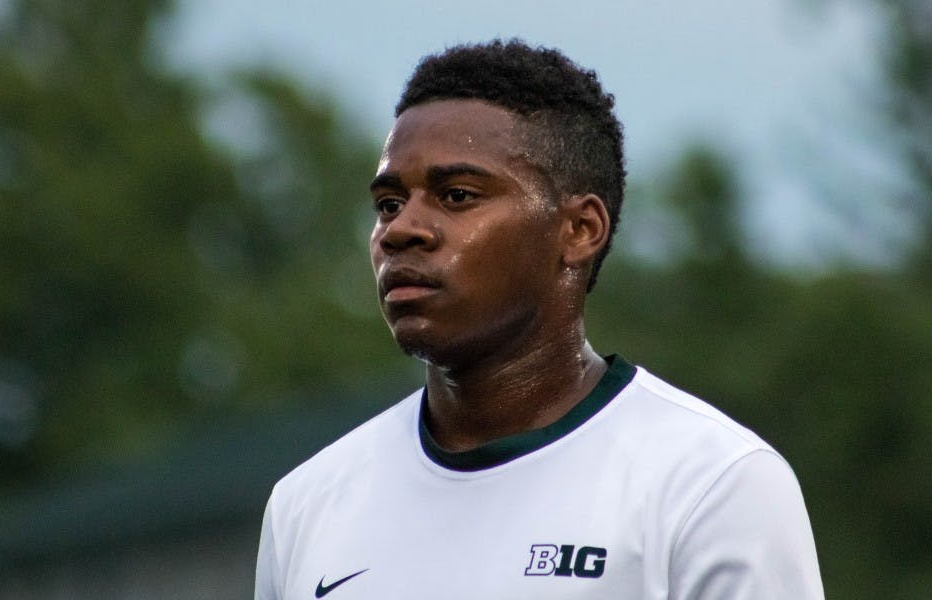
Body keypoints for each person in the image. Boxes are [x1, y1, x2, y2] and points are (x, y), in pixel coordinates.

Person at [255, 39, 824, 599]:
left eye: (456, 195)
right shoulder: (306, 505)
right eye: (388, 204)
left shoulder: (712, 484)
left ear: (578, 231)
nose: (402, 229)